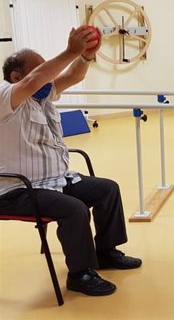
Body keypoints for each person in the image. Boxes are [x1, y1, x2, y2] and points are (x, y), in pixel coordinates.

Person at [0, 26, 142, 297]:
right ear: (16, 76)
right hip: (16, 191)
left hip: (54, 181)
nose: (48, 76)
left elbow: (73, 75)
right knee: (74, 209)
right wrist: (70, 51)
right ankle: (81, 273)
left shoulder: (40, 95)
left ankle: (105, 252)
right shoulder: (6, 96)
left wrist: (86, 57)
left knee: (107, 189)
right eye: (41, 70)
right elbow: (33, 81)